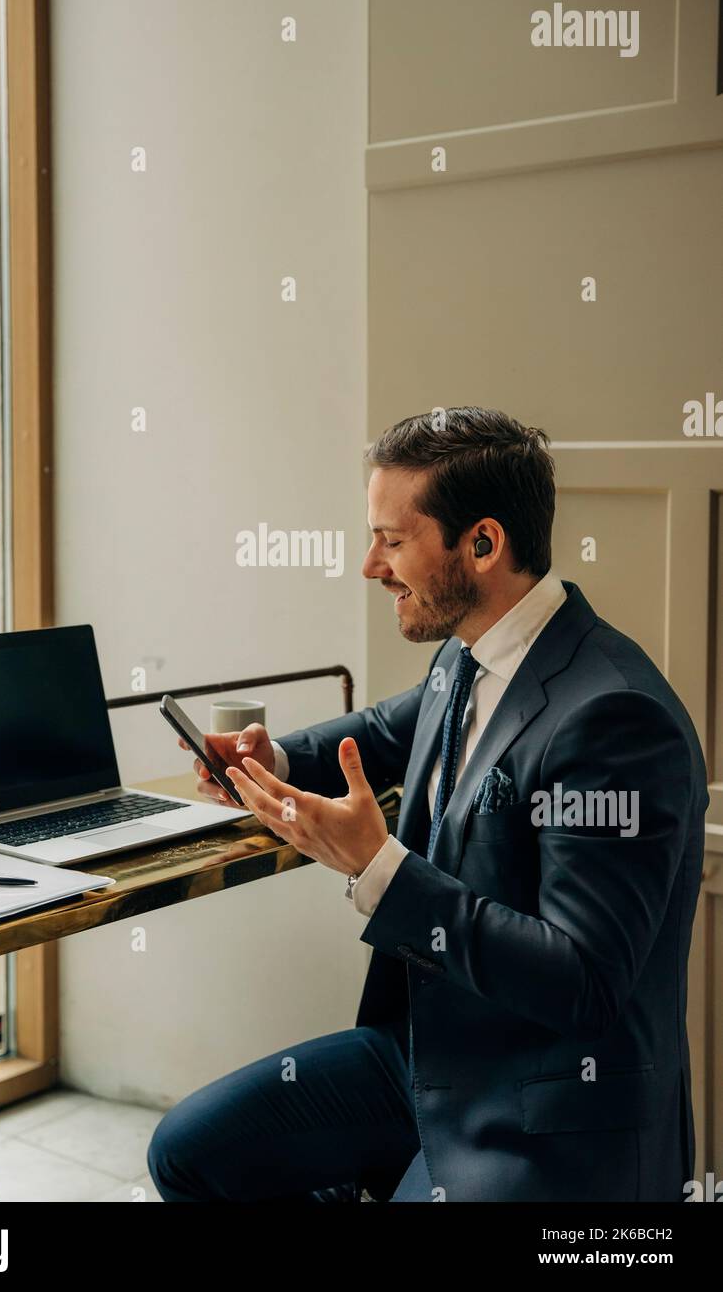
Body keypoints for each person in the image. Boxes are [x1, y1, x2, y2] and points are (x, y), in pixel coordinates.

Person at [147, 406, 707, 1202]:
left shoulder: (614, 718)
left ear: (482, 545)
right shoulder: (470, 656)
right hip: (424, 1056)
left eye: (392, 540)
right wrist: (270, 759)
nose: (370, 566)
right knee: (186, 1152)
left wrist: (379, 868)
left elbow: (582, 982)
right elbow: (384, 730)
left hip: (544, 1107)